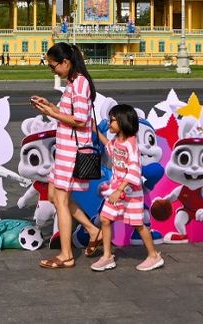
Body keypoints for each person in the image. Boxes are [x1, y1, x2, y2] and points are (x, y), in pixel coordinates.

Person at [31, 42, 101, 269]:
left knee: (60, 199)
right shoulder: (74, 83)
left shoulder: (79, 83)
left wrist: (52, 112)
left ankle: (66, 255)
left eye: (53, 66)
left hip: (71, 151)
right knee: (54, 196)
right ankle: (93, 230)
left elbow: (80, 119)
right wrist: (49, 106)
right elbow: (70, 114)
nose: (53, 71)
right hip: (65, 149)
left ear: (66, 63)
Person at [90, 104, 164, 272]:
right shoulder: (118, 141)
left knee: (138, 224)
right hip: (117, 190)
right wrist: (96, 132)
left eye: (113, 120)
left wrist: (119, 190)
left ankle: (153, 256)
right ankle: (107, 256)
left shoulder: (131, 144)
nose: (110, 123)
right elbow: (110, 147)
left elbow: (134, 172)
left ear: (123, 122)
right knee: (105, 219)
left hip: (131, 193)